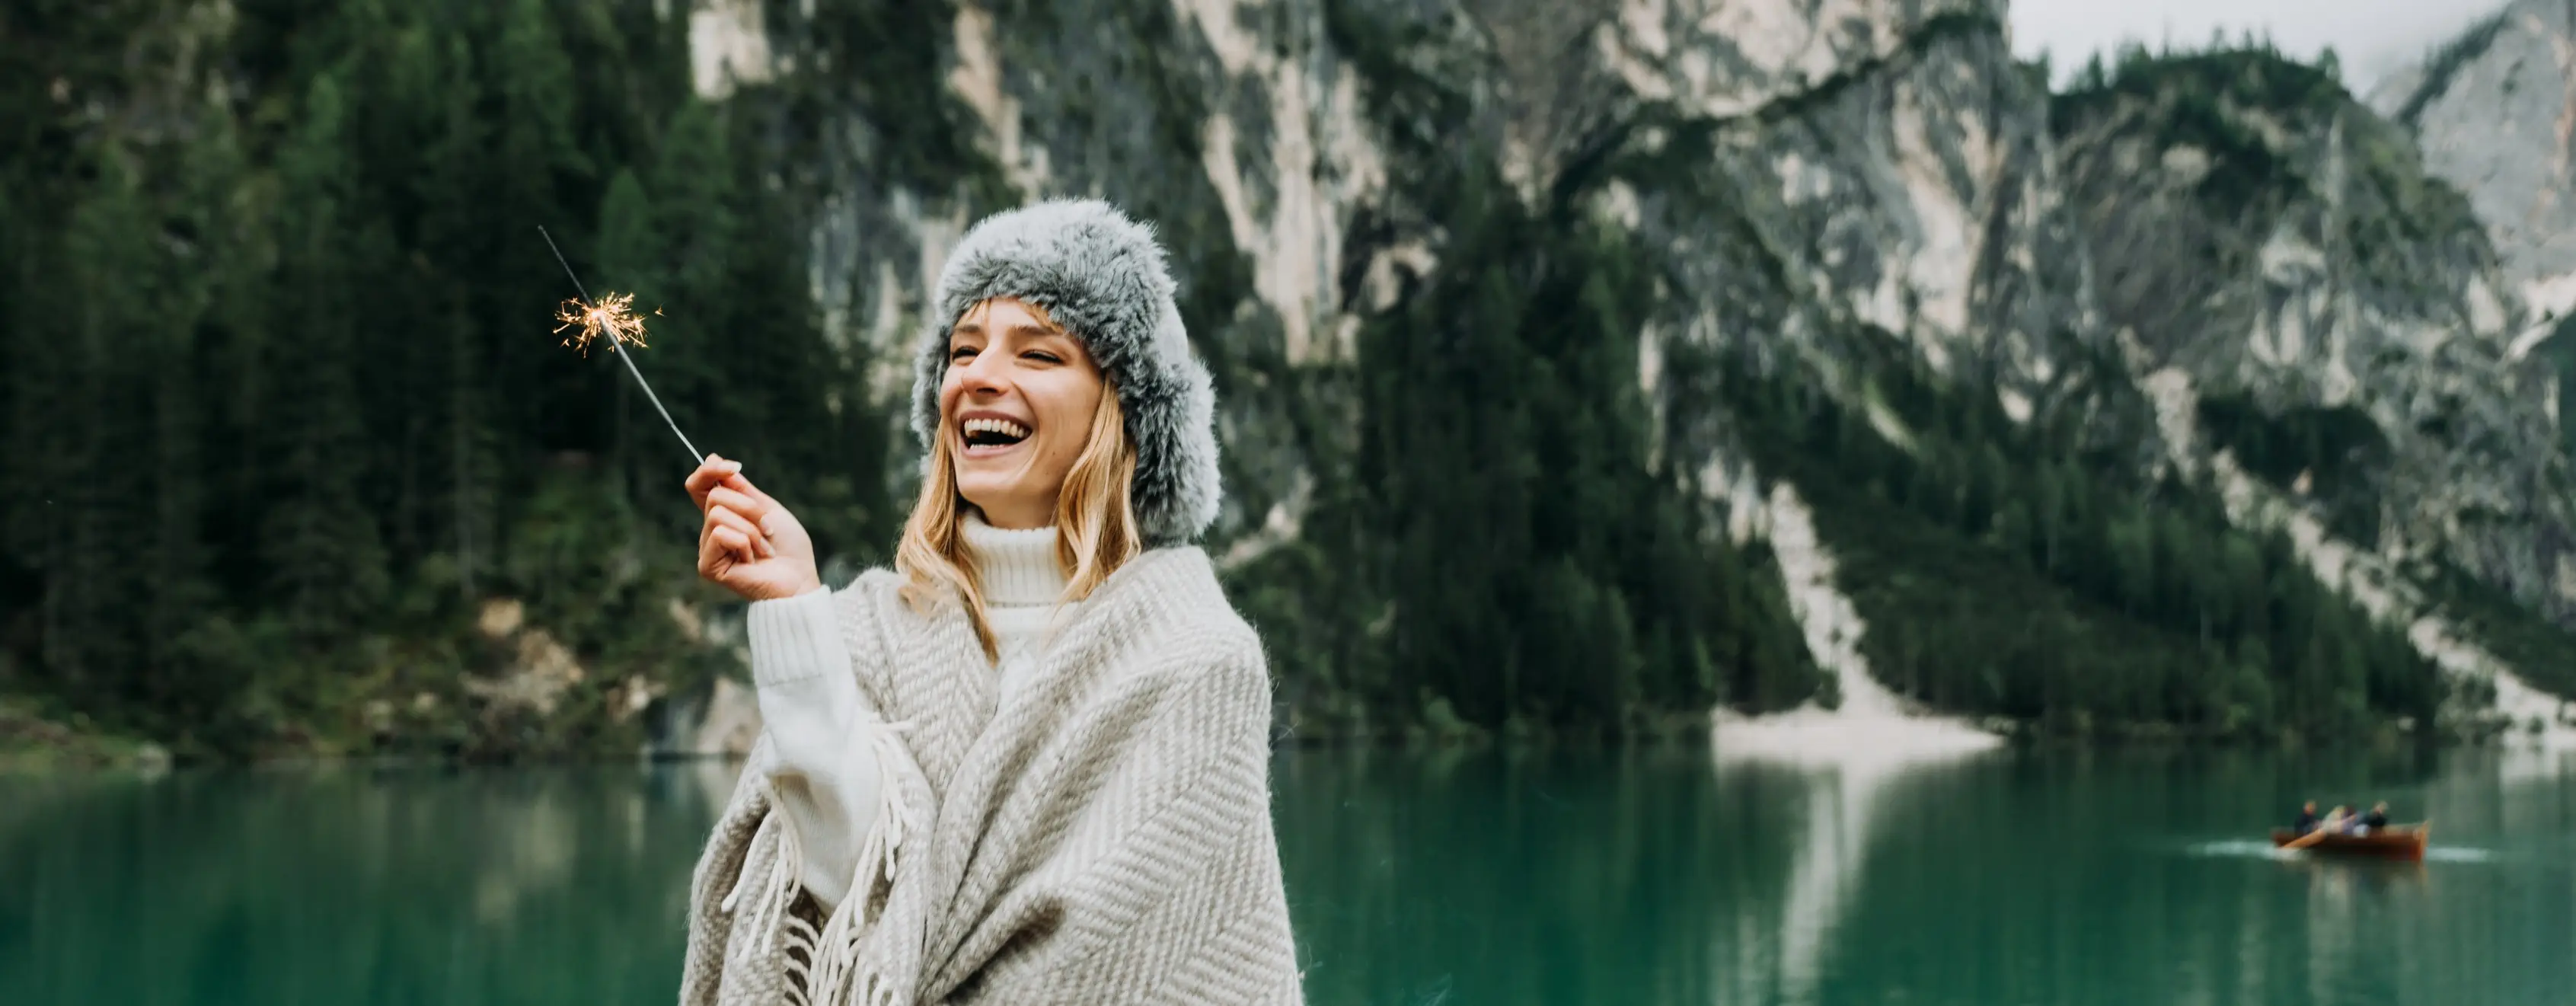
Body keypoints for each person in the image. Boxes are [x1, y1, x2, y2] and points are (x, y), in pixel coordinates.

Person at [677, 200, 1302, 1004]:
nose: (976, 376)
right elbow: (838, 911)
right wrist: (796, 611)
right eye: (962, 350)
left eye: (1037, 353)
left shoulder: (1196, 660)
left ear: (1121, 410)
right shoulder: (861, 632)